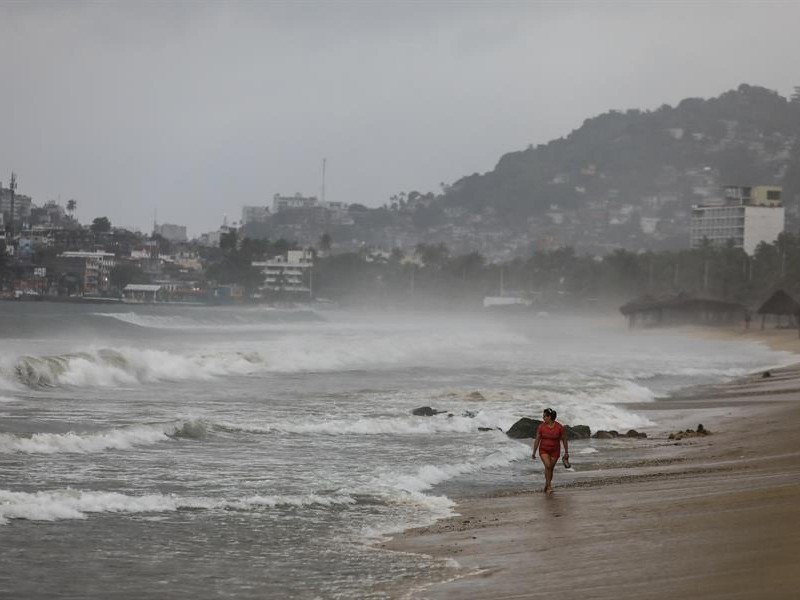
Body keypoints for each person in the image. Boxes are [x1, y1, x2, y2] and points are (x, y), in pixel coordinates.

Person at [532, 407, 568, 494]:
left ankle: (547, 484)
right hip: (544, 450)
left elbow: (564, 440)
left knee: (550, 468)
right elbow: (537, 439)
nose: (543, 418)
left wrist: (566, 452)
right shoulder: (541, 427)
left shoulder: (559, 427)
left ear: (550, 417)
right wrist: (534, 452)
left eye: (544, 416)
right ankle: (549, 486)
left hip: (555, 451)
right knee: (548, 466)